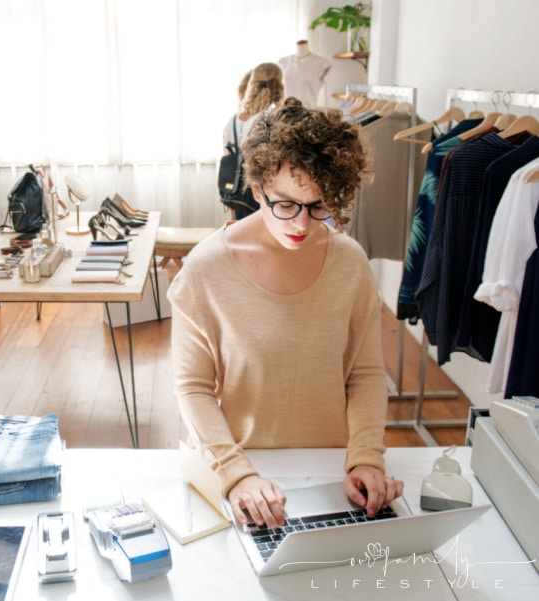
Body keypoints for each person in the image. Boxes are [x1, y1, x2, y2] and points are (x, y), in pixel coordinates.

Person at [171, 98, 403, 531]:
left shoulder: (349, 263)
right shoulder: (204, 270)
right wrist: (235, 473)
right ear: (257, 189)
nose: (302, 223)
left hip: (335, 474)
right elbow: (192, 387)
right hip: (241, 470)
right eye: (286, 204)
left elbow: (366, 373)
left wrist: (366, 458)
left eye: (318, 206)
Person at [220, 62, 285, 220]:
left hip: (238, 194)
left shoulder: (233, 120)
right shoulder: (272, 118)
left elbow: (230, 160)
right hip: (263, 195)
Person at [278, 40, 331, 108]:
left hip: (310, 110)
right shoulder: (283, 62)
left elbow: (324, 92)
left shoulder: (321, 62)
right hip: (288, 110)